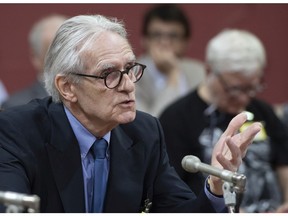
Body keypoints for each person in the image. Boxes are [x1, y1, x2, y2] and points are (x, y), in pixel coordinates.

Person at [0, 15, 261, 213]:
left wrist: (215, 186)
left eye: (130, 69)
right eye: (109, 74)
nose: (128, 85)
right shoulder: (17, 132)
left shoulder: (145, 133)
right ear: (67, 87)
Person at [159, 29, 288, 213]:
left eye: (252, 87)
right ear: (209, 71)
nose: (244, 98)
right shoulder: (177, 118)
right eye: (234, 89)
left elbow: (283, 160)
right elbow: (173, 192)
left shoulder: (262, 110)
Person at [136, 4, 206, 117]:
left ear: (186, 43)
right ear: (144, 40)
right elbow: (151, 125)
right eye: (156, 35)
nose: (164, 42)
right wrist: (172, 73)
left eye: (173, 36)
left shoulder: (200, 72)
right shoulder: (132, 74)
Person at [2, 14, 67, 109]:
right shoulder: (16, 107)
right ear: (35, 56)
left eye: (71, 50)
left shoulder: (89, 99)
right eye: (56, 52)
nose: (66, 59)